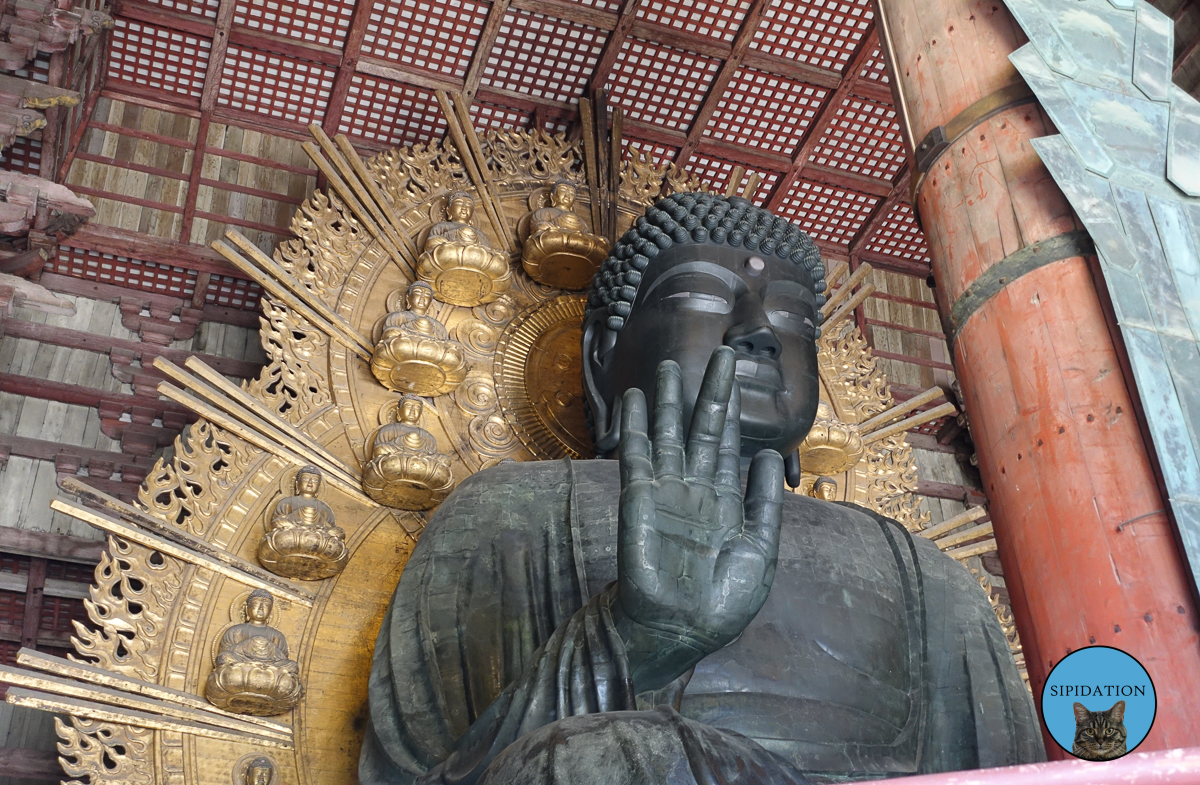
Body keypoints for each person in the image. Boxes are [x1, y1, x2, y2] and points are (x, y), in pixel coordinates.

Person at [361, 193, 1043, 784]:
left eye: (792, 321)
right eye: (703, 299)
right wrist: (632, 637)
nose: (757, 337)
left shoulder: (926, 578)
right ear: (603, 354)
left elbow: (1018, 774)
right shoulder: (506, 513)